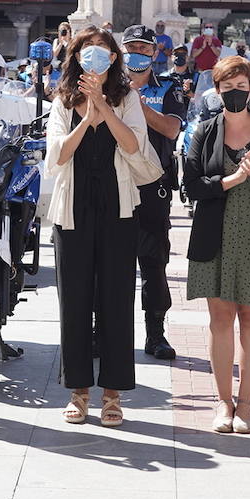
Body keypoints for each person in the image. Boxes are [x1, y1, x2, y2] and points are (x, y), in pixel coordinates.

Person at [47, 27, 150, 427]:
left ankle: (112, 393)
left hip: (117, 206)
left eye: (102, 49)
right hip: (72, 207)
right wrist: (84, 118)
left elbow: (134, 146)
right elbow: (56, 155)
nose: (94, 55)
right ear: (75, 56)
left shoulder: (127, 98)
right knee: (74, 301)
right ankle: (78, 392)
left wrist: (105, 111)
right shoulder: (62, 100)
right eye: (87, 49)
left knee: (115, 300)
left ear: (113, 57)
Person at [184, 55, 250, 434]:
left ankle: (246, 404)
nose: (234, 93)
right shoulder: (204, 131)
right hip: (216, 236)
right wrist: (229, 181)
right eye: (227, 88)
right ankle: (223, 402)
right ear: (217, 90)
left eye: (241, 87)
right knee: (219, 320)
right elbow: (191, 185)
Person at [122, 25, 188, 360]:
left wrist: (133, 103)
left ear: (154, 53)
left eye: (144, 49)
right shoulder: (106, 85)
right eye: (131, 47)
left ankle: (155, 333)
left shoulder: (169, 87)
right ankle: (101, 331)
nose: (138, 53)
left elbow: (171, 128)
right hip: (113, 181)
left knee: (153, 260)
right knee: (107, 261)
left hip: (153, 184)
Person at [188, 23, 223, 90]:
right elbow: (194, 54)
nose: (209, 29)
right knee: (197, 91)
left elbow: (218, 54)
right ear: (203, 29)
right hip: (199, 71)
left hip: (212, 72)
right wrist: (203, 47)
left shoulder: (217, 41)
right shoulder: (198, 40)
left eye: (211, 27)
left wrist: (211, 45)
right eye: (207, 27)